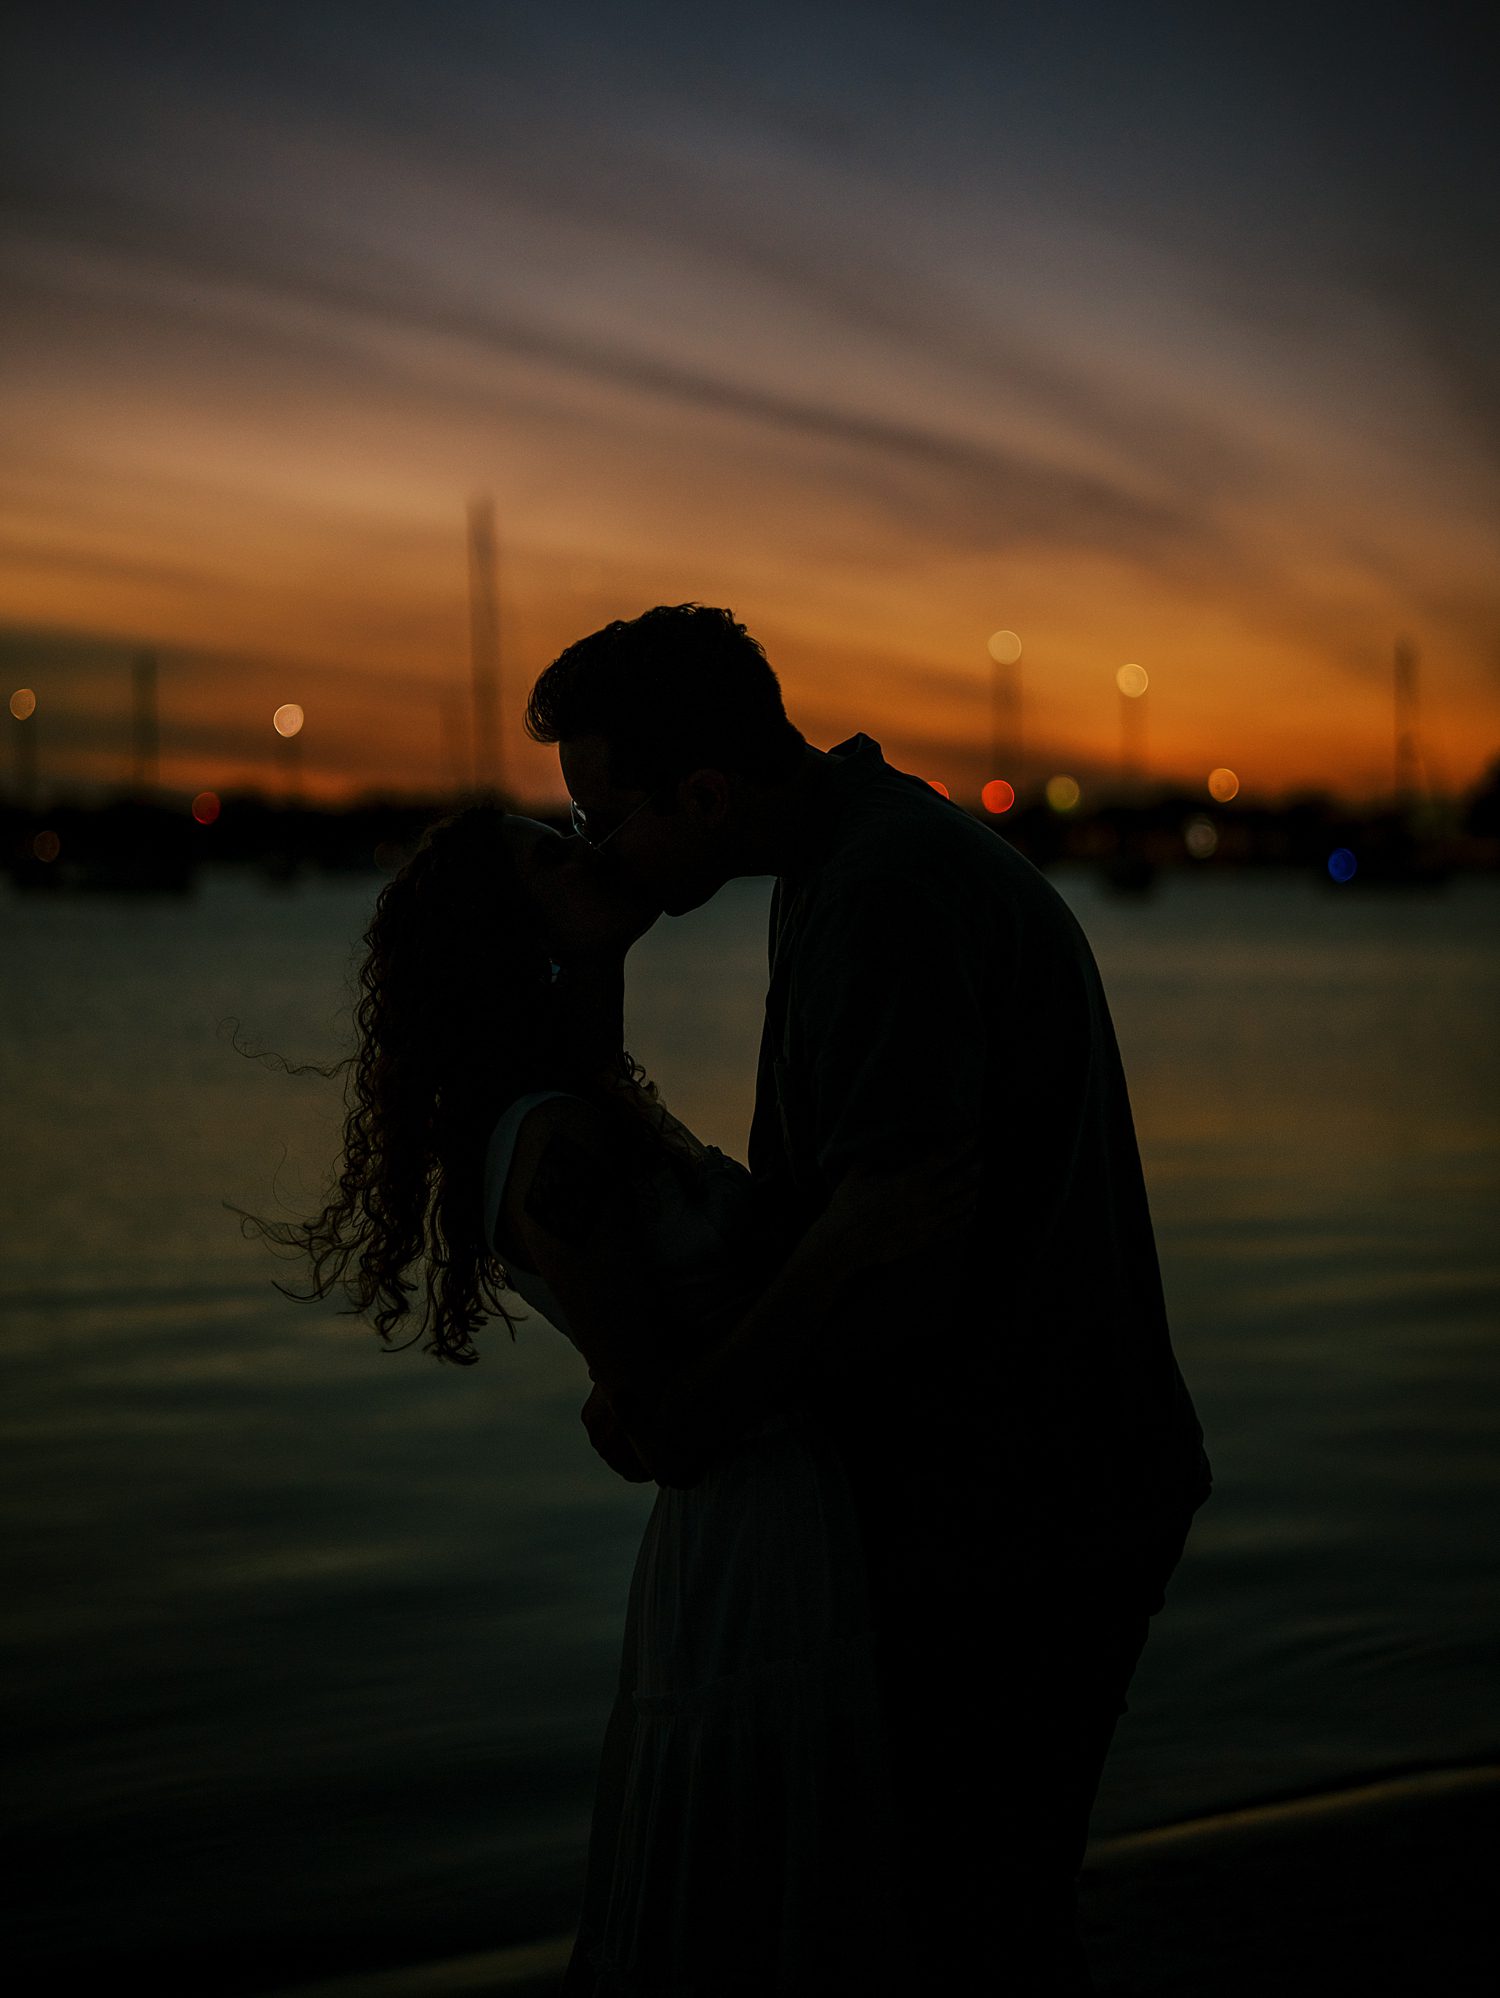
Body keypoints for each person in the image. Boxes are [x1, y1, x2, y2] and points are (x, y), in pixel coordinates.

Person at [525, 602, 1215, 1995]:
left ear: (706, 792)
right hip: (1025, 1487)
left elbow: (898, 1271)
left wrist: (694, 1410)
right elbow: (830, 1216)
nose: (599, 850)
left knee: (971, 1927)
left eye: (608, 818)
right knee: (963, 1915)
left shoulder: (882, 892)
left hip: (1025, 1506)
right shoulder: (849, 855)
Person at [250, 803, 922, 1995]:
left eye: (570, 826)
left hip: (786, 1515)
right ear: (512, 932)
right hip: (748, 1540)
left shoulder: (594, 1093)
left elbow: (647, 1379)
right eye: (554, 854)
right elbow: (666, 1428)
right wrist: (844, 1247)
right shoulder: (553, 1139)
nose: (590, 848)